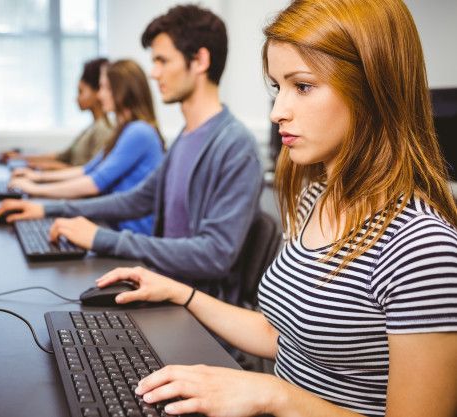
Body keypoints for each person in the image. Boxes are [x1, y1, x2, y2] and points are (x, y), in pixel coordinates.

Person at [90, 1, 457, 416]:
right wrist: (183, 293)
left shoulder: (422, 248)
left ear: (372, 88)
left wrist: (275, 395)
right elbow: (279, 332)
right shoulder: (314, 198)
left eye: (301, 86)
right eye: (277, 88)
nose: (278, 111)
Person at [0, 4, 262, 304]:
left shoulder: (236, 147)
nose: (153, 72)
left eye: (162, 60)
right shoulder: (186, 138)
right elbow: (138, 199)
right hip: (160, 283)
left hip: (196, 311)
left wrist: (103, 239)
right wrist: (49, 210)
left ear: (199, 60)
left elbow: (215, 255)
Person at [9, 59, 165, 235]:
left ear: (121, 91)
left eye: (105, 88)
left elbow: (94, 183)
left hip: (131, 233)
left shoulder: (139, 132)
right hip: (114, 225)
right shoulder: (124, 130)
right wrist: (36, 178)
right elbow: (86, 170)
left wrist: (36, 190)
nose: (100, 95)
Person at [1, 57, 114, 170]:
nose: (76, 98)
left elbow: (92, 173)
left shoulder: (103, 129)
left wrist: (44, 168)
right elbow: (62, 157)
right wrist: (20, 158)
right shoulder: (92, 127)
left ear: (97, 92)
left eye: (81, 92)